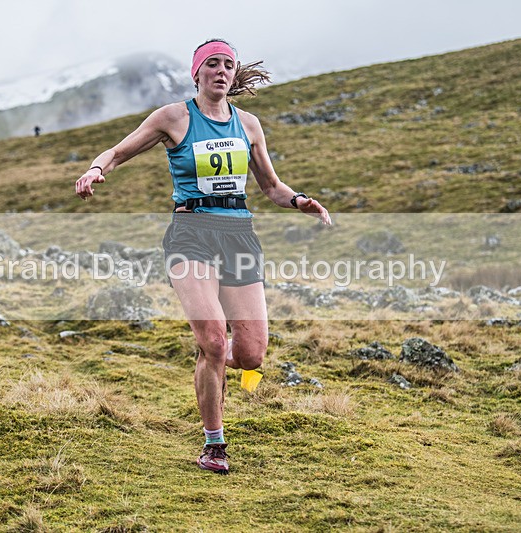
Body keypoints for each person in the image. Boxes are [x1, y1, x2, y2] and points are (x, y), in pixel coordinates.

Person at [75, 38, 331, 475]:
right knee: (214, 341)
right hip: (190, 233)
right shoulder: (173, 117)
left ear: (234, 75)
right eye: (211, 63)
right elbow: (119, 151)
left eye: (228, 65)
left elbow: (271, 186)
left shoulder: (248, 124)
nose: (220, 70)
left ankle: (213, 353)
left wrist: (300, 200)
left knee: (251, 355)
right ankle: (214, 443)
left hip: (239, 235)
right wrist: (97, 168)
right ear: (197, 72)